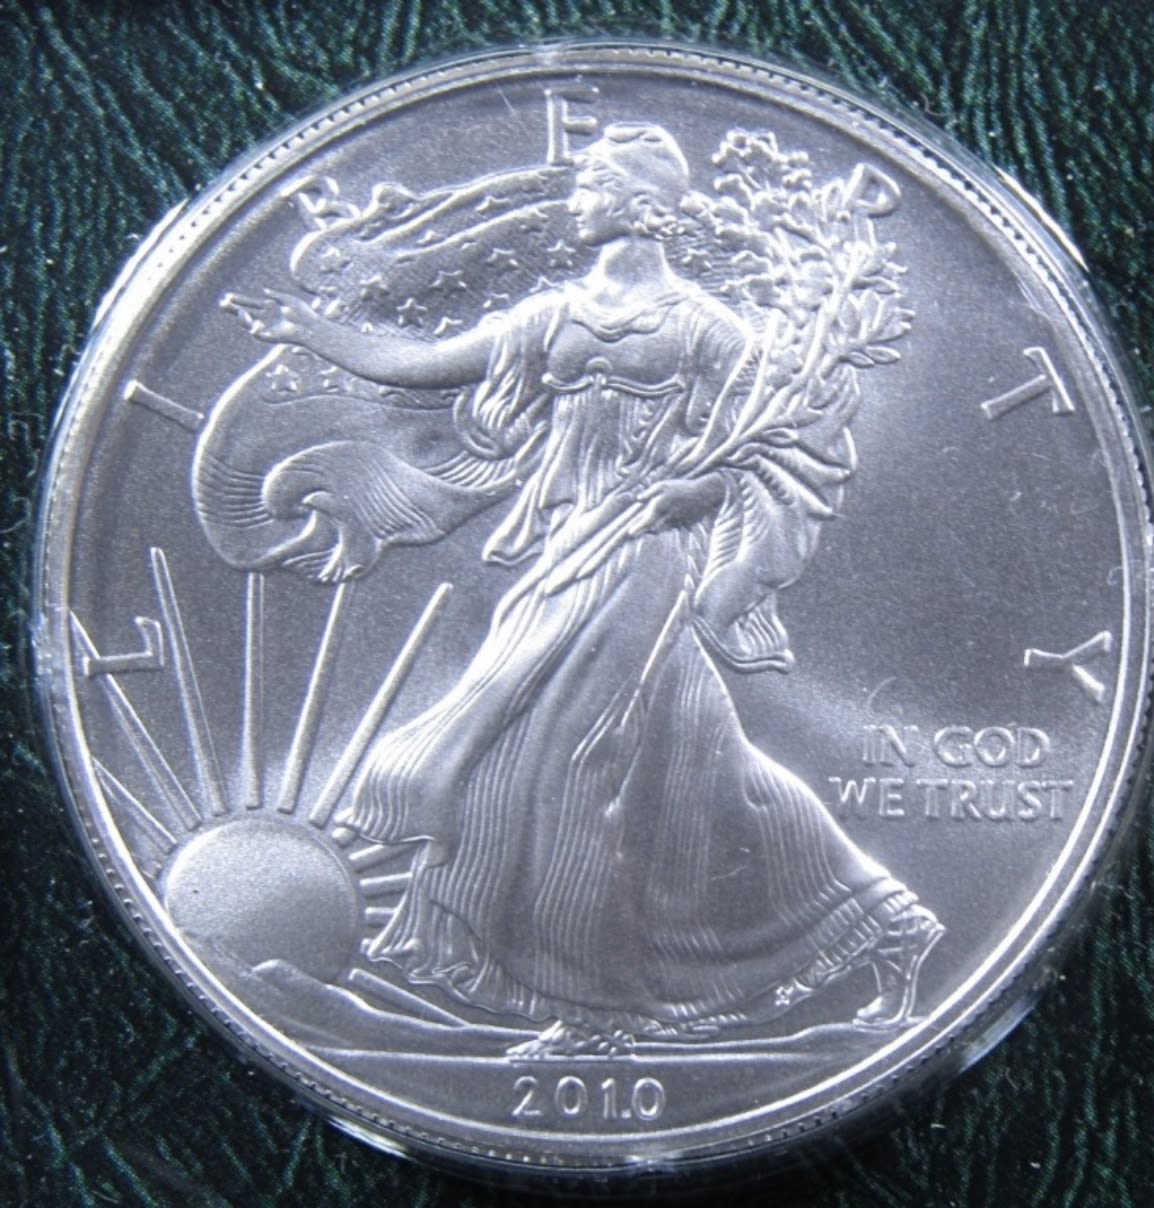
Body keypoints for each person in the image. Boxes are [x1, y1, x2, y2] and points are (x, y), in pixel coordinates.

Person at [226, 123, 942, 1057]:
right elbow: (422, 365)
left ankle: (594, 1013)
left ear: (642, 206)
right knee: (703, 771)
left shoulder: (704, 328)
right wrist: (310, 332)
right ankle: (884, 923)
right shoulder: (550, 316)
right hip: (567, 546)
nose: (576, 200)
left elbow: (780, 450)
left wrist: (698, 491)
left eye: (593, 184)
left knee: (573, 757)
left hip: (645, 556)